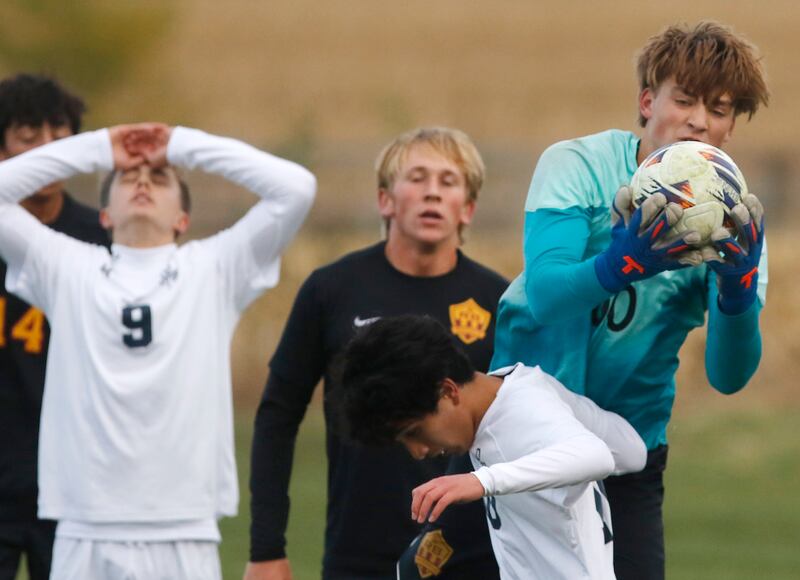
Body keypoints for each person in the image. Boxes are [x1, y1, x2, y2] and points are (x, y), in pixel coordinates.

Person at [489, 21, 770, 580]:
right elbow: (545, 297)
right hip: (519, 435)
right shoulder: (578, 166)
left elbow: (729, 376)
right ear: (648, 101)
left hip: (627, 453)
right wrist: (620, 267)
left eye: (719, 108)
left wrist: (738, 292)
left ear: (731, 127)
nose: (698, 120)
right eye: (683, 100)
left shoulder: (733, 220)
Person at [0, 122, 316, 579]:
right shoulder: (66, 267)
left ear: (182, 219)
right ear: (103, 215)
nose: (143, 180)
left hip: (184, 527)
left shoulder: (215, 268)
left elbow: (296, 189)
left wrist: (182, 145)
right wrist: (100, 148)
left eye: (161, 178)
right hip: (85, 526)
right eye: (127, 178)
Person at [245, 127, 508, 580]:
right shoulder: (332, 290)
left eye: (448, 182)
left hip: (474, 556)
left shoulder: (496, 299)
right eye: (417, 178)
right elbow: (277, 415)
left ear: (467, 208)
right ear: (386, 200)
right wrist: (266, 547)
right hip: (359, 554)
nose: (432, 193)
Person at [337, 315, 647, 580]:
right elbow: (633, 451)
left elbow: (596, 455)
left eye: (415, 432)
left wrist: (481, 481)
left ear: (448, 391)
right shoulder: (521, 388)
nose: (418, 451)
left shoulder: (525, 409)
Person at [0, 73, 109, 580]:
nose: (48, 149)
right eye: (28, 135)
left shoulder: (103, 238)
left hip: (74, 486)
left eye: (59, 131)